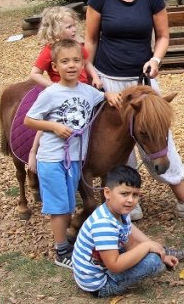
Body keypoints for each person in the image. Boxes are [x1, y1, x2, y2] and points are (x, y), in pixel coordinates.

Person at [84, 0, 184, 222]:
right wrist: (92, 75)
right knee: (117, 146)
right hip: (109, 82)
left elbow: (163, 36)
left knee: (160, 137)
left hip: (143, 82)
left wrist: (156, 60)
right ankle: (127, 201)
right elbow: (89, 40)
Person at [23, 39, 109, 269]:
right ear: (54, 67)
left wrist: (113, 96)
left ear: (83, 64)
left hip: (75, 159)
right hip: (52, 158)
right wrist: (54, 127)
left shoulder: (89, 92)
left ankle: (67, 243)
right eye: (65, 61)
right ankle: (61, 251)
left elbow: (106, 98)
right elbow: (29, 120)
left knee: (69, 203)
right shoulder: (51, 93)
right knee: (60, 206)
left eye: (76, 60)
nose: (71, 65)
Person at [72, 166, 184, 297]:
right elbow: (114, 265)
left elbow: (130, 244)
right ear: (107, 193)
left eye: (135, 195)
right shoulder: (103, 224)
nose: (130, 200)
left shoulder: (119, 210)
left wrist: (161, 254)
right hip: (100, 284)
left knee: (153, 255)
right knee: (153, 262)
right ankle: (157, 257)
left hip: (102, 266)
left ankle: (162, 253)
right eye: (124, 193)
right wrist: (148, 246)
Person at [26, 6, 97, 175]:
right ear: (56, 30)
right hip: (61, 94)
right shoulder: (49, 51)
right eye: (69, 27)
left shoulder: (77, 46)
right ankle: (33, 152)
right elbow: (34, 73)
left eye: (74, 26)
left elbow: (87, 63)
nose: (74, 30)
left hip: (81, 91)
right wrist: (53, 87)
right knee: (48, 121)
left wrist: (95, 77)